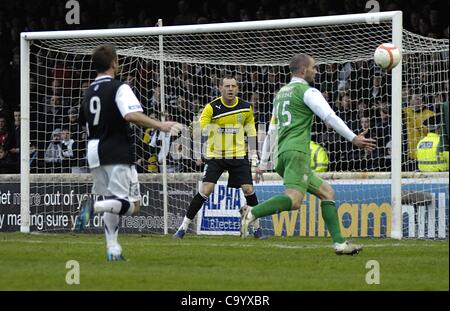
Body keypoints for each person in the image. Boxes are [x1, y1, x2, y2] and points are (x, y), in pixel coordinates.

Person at [244, 54, 376, 255]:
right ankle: (252, 212)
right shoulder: (308, 92)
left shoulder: (281, 94)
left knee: (327, 193)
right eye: (314, 67)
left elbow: (271, 131)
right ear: (303, 70)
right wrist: (353, 138)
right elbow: (330, 117)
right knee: (295, 201)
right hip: (297, 152)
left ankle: (340, 244)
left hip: (282, 155)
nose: (316, 71)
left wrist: (263, 163)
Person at [74, 44, 181, 261]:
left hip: (94, 149)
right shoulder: (119, 87)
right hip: (115, 148)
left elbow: (83, 123)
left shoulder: (89, 91)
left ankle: (113, 250)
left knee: (113, 199)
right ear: (113, 63)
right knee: (133, 206)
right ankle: (93, 206)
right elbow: (131, 115)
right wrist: (161, 126)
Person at [173, 76, 264, 239]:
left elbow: (251, 131)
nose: (230, 89)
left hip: (238, 155)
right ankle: (183, 227)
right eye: (227, 86)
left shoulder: (245, 108)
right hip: (216, 155)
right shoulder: (211, 107)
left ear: (237, 88)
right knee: (206, 189)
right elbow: (203, 128)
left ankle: (257, 229)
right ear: (220, 88)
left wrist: (254, 154)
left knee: (249, 190)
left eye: (233, 86)